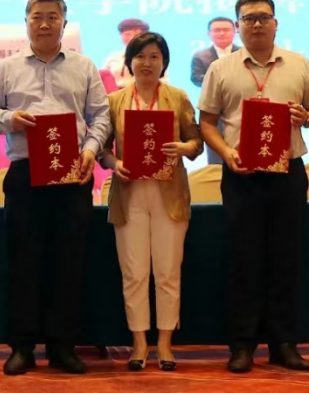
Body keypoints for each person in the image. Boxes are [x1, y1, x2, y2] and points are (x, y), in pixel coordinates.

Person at [0, 0, 111, 376]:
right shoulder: (6, 68)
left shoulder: (84, 66)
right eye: (37, 16)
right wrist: (11, 120)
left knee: (68, 262)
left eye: (53, 16)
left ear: (64, 23)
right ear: (26, 22)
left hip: (72, 172)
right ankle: (22, 347)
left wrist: (90, 150)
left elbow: (101, 115)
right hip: (26, 173)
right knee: (24, 261)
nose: (45, 23)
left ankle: (62, 347)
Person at [198, 0, 309, 374]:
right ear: (238, 26)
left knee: (286, 259)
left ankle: (284, 344)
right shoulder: (220, 69)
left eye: (263, 17)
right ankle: (242, 346)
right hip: (242, 175)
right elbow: (207, 123)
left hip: (288, 173)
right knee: (244, 260)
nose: (256, 24)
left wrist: (306, 117)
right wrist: (227, 153)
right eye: (249, 18)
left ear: (276, 23)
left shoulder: (298, 63)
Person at [99, 32, 203, 372]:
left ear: (164, 62)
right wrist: (115, 163)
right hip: (129, 194)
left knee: (168, 272)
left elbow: (196, 142)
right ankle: (140, 342)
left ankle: (165, 342)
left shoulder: (178, 97)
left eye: (154, 56)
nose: (147, 63)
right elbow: (102, 148)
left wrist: (183, 148)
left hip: (168, 194)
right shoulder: (114, 101)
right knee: (134, 272)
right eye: (140, 56)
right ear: (129, 62)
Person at [191, 17, 241, 164]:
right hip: (213, 109)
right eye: (217, 30)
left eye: (226, 30)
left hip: (239, 108)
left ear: (234, 32)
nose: (221, 33)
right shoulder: (200, 56)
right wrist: (218, 81)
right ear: (209, 34)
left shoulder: (243, 53)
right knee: (215, 149)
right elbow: (195, 77)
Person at [104, 18, 170, 88]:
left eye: (137, 35)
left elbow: (163, 81)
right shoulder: (112, 58)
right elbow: (103, 81)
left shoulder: (156, 58)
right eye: (127, 34)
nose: (132, 38)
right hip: (115, 94)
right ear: (121, 36)